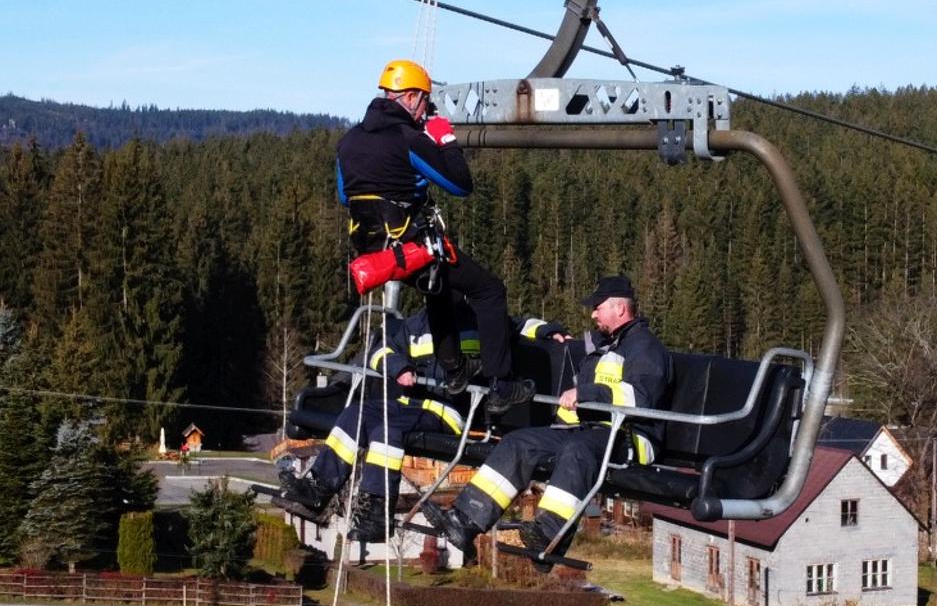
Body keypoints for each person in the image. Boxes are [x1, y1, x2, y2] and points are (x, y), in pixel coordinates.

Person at [421, 275, 669, 564]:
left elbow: (641, 398)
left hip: (631, 437)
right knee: (519, 442)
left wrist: (586, 393)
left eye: (597, 307)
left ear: (620, 309)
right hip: (589, 431)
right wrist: (550, 335)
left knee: (577, 451)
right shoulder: (604, 345)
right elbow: (514, 326)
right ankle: (465, 520)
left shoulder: (644, 348)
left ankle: (550, 535)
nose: (592, 314)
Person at [274, 305, 570, 543]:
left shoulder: (475, 320)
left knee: (386, 431)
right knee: (356, 414)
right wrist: (397, 367)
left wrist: (549, 330)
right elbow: (381, 351)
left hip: (447, 412)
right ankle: (319, 487)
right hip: (408, 404)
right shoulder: (415, 325)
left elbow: (517, 326)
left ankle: (378, 512)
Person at [334, 59, 533, 412]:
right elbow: (460, 184)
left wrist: (403, 182)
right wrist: (444, 140)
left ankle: (454, 369)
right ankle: (502, 382)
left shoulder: (348, 142)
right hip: (408, 244)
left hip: (370, 248)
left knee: (440, 288)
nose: (425, 109)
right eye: (424, 101)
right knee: (489, 290)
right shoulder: (407, 138)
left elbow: (345, 194)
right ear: (410, 98)